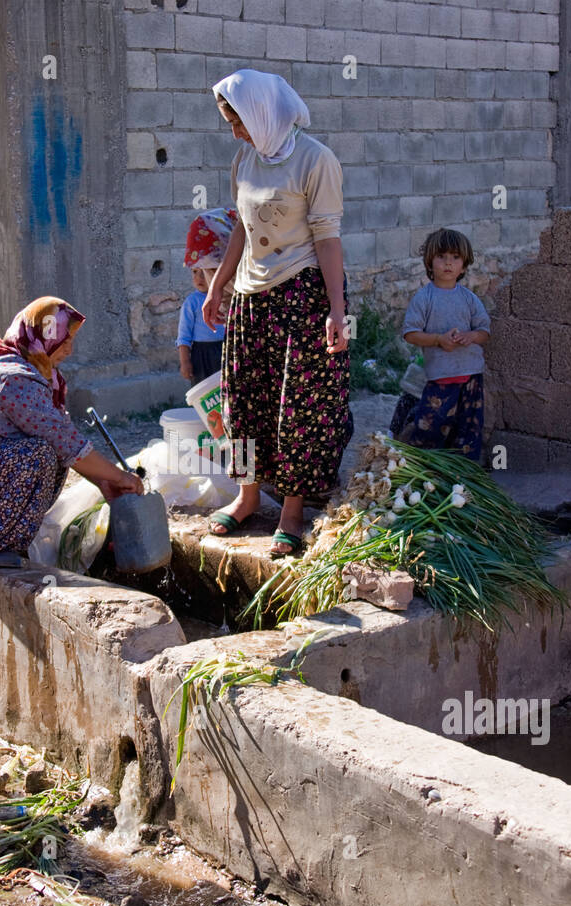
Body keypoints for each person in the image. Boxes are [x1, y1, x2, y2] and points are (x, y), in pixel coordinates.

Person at [201, 69, 351, 557]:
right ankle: (246, 499)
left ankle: (291, 510)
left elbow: (328, 238)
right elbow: (242, 230)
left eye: (238, 121)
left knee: (299, 406)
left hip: (302, 294)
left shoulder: (316, 160)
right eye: (230, 122)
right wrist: (219, 286)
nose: (234, 131)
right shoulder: (245, 158)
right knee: (243, 399)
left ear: (262, 112)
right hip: (251, 295)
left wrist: (336, 308)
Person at [0, 296, 143, 567]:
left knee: (50, 455)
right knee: (38, 455)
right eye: (65, 341)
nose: (70, 351)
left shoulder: (37, 374)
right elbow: (66, 444)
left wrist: (104, 482)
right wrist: (120, 476)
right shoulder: (14, 378)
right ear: (44, 336)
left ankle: (5, 542)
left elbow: (66, 441)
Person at [389, 228, 491, 460]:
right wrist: (438, 340)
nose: (448, 263)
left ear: (464, 266)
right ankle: (424, 472)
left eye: (455, 258)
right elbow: (411, 333)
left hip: (472, 379)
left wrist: (470, 336)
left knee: (468, 435)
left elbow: (485, 331)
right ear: (429, 262)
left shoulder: (469, 299)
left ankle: (465, 481)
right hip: (440, 380)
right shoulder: (424, 298)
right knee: (430, 431)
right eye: (441, 257)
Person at [177, 207, 238, 382]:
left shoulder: (251, 297)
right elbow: (184, 335)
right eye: (197, 271)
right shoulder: (192, 302)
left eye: (213, 269)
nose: (208, 278)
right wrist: (185, 361)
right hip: (203, 356)